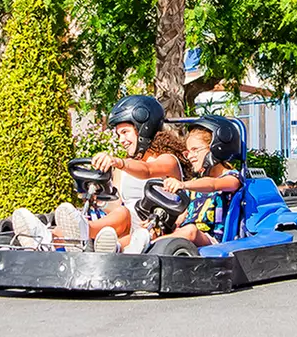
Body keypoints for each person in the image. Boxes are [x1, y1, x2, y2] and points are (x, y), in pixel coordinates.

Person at [10, 94, 184, 252]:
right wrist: (98, 200)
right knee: (119, 215)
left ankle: (82, 232)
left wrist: (119, 162)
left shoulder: (167, 160)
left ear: (144, 129)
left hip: (156, 223)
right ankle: (48, 238)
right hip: (127, 223)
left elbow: (147, 171)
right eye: (118, 135)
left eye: (125, 132)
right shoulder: (123, 169)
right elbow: (116, 204)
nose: (121, 140)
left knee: (123, 215)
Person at [151, 115, 245, 249]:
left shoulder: (232, 178)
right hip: (189, 237)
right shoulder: (196, 183)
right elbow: (183, 215)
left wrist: (183, 184)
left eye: (195, 150)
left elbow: (213, 185)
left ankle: (150, 244)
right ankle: (135, 244)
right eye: (187, 152)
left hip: (215, 241)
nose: (190, 157)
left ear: (216, 148)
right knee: (168, 230)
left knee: (191, 231)